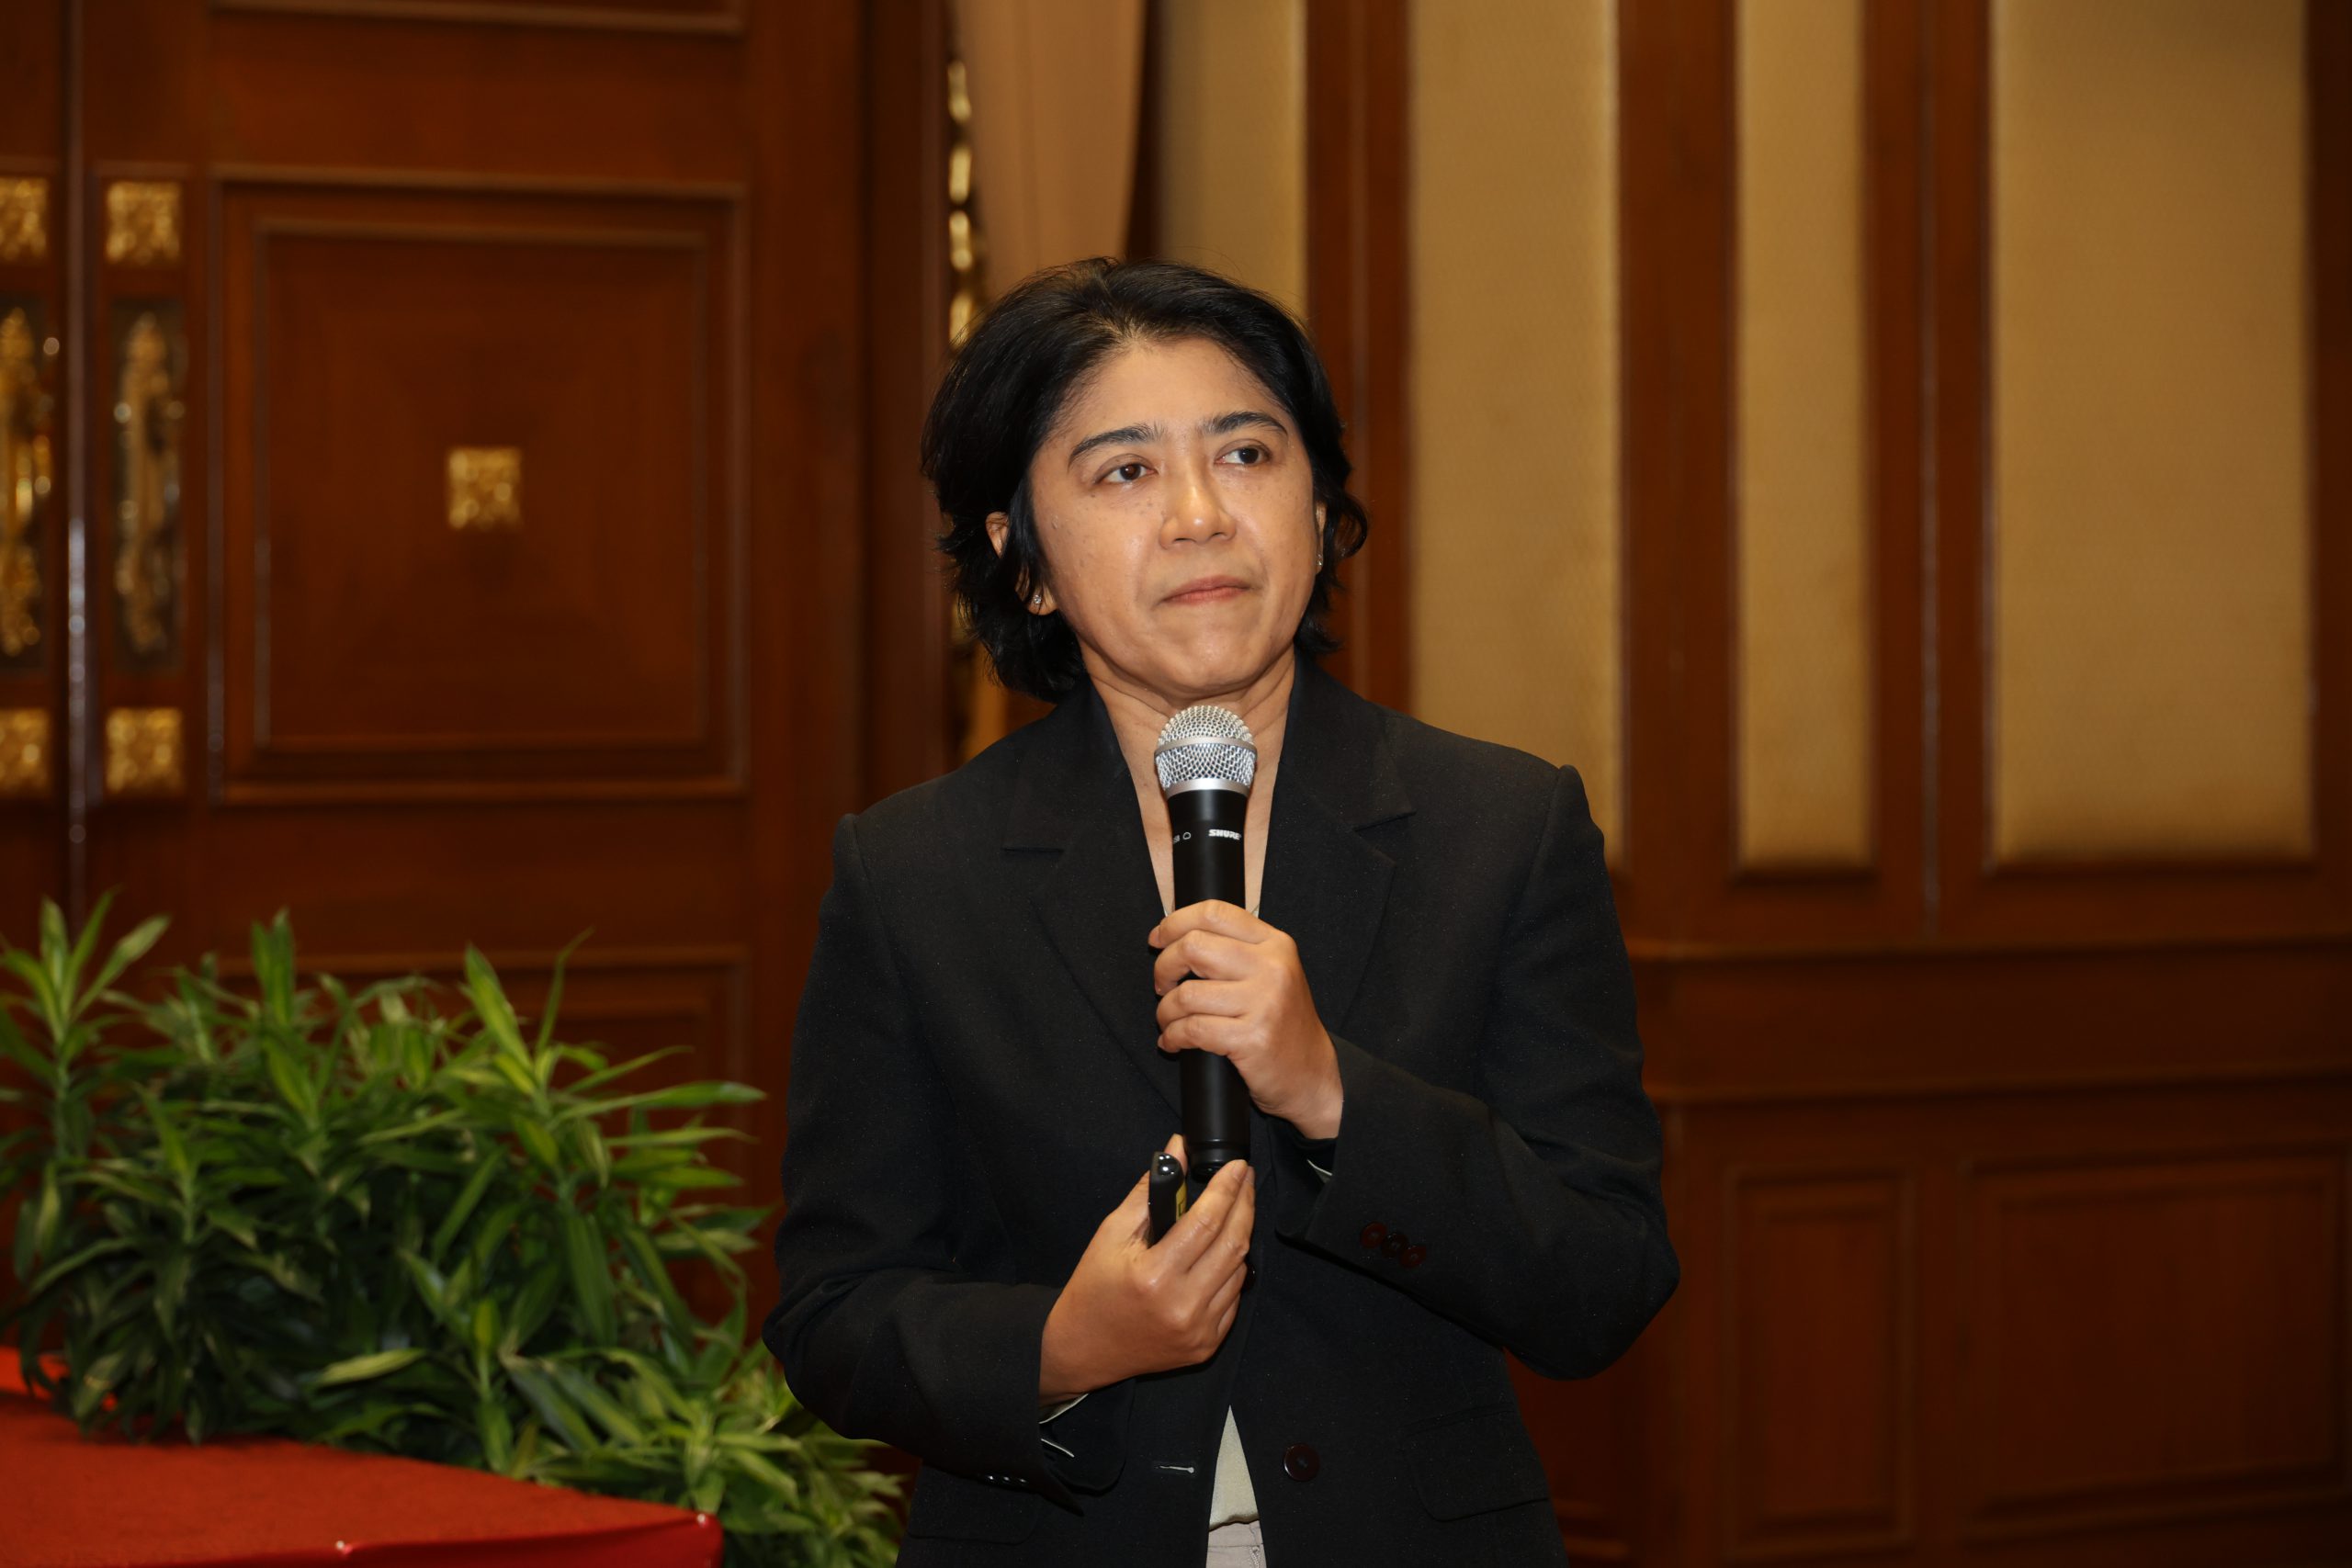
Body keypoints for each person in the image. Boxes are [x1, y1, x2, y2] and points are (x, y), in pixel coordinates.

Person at [763, 257, 1678, 1567]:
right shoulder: (915, 871)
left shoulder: (1501, 828)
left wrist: (1335, 1097)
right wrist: (1065, 1345)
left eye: (1246, 454)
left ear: (1320, 507)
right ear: (1022, 556)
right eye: (1125, 472)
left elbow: (1604, 1279)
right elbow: (835, 1316)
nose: (1199, 515)